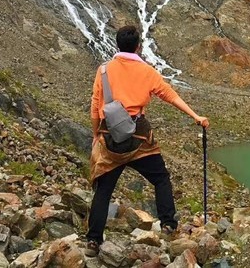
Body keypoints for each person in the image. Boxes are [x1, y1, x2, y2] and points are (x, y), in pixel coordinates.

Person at [85, 25, 209, 254]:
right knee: (160, 178)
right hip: (139, 137)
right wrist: (195, 116)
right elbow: (170, 96)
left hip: (109, 137)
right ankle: (168, 224)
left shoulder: (103, 71)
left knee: (103, 189)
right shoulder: (148, 72)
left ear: (117, 45)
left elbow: (95, 106)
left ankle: (93, 240)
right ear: (139, 47)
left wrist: (95, 135)